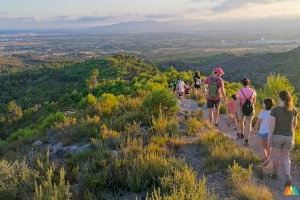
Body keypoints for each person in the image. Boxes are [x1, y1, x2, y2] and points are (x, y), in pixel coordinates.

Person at [269, 91, 297, 186]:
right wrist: (293, 138)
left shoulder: (275, 110)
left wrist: (269, 137)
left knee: (276, 157)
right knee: (285, 157)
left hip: (277, 136)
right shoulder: (293, 110)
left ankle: (274, 174)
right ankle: (288, 176)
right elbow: (294, 126)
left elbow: (272, 125)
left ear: (279, 98)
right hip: (289, 137)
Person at [253, 98, 274, 167]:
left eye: (263, 103)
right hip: (270, 132)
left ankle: (265, 158)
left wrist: (255, 128)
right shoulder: (273, 112)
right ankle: (268, 158)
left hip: (262, 132)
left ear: (265, 104)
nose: (262, 104)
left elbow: (258, 122)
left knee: (262, 146)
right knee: (268, 146)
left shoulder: (262, 112)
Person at [236, 78, 256, 146]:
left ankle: (241, 133)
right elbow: (254, 102)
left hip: (241, 109)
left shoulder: (240, 91)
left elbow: (238, 103)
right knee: (248, 124)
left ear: (242, 83)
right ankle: (246, 138)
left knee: (241, 121)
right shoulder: (253, 91)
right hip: (250, 109)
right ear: (249, 83)